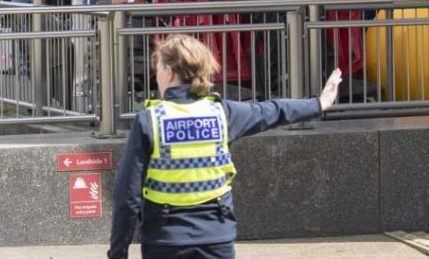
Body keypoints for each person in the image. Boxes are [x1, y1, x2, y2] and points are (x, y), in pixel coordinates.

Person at [108, 34, 343, 259]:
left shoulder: (150, 120)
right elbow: (272, 111)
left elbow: (127, 197)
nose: (156, 76)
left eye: (158, 69)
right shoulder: (222, 112)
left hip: (166, 241)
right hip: (217, 238)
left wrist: (118, 253)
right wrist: (318, 104)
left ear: (169, 72)